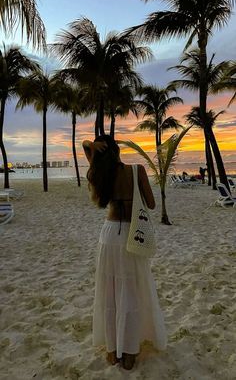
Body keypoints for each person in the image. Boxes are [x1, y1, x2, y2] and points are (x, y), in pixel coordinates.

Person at [82, 135, 167, 370]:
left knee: (109, 294)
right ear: (118, 150)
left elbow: (85, 147)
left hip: (109, 235)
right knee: (130, 293)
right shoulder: (136, 170)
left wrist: (90, 144)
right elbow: (150, 204)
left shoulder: (99, 174)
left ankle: (112, 351)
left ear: (99, 154)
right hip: (132, 234)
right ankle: (129, 353)